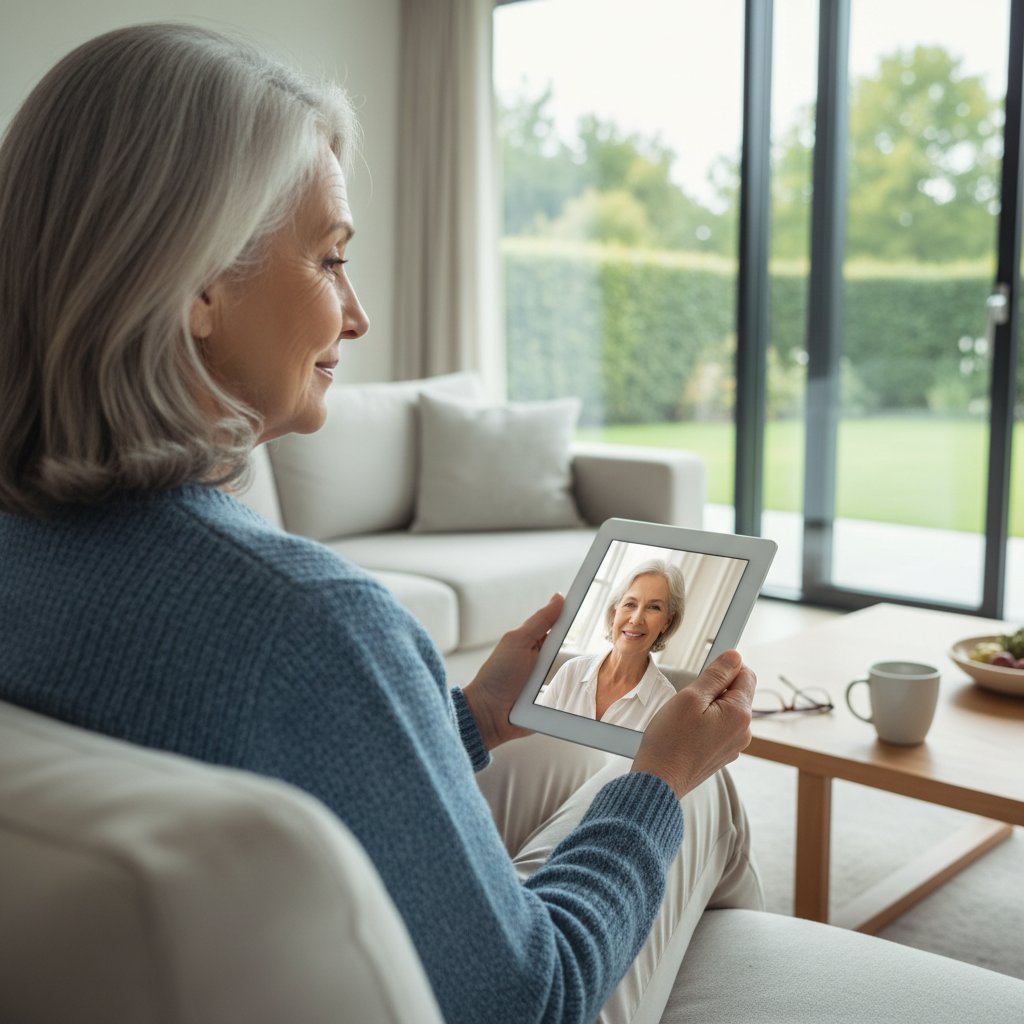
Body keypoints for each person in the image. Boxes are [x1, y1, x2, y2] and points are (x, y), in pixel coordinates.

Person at [0, 24, 762, 1024]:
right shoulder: (311, 625)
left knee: (568, 750)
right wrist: (663, 776)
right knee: (690, 787)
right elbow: (529, 1002)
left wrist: (471, 714)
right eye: (329, 261)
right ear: (196, 287)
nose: (356, 316)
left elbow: (235, 759)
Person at [536, 560, 684, 729]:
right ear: (615, 612)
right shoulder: (571, 671)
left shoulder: (666, 703)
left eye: (653, 607)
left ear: (667, 622)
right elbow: (534, 737)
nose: (636, 619)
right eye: (630, 604)